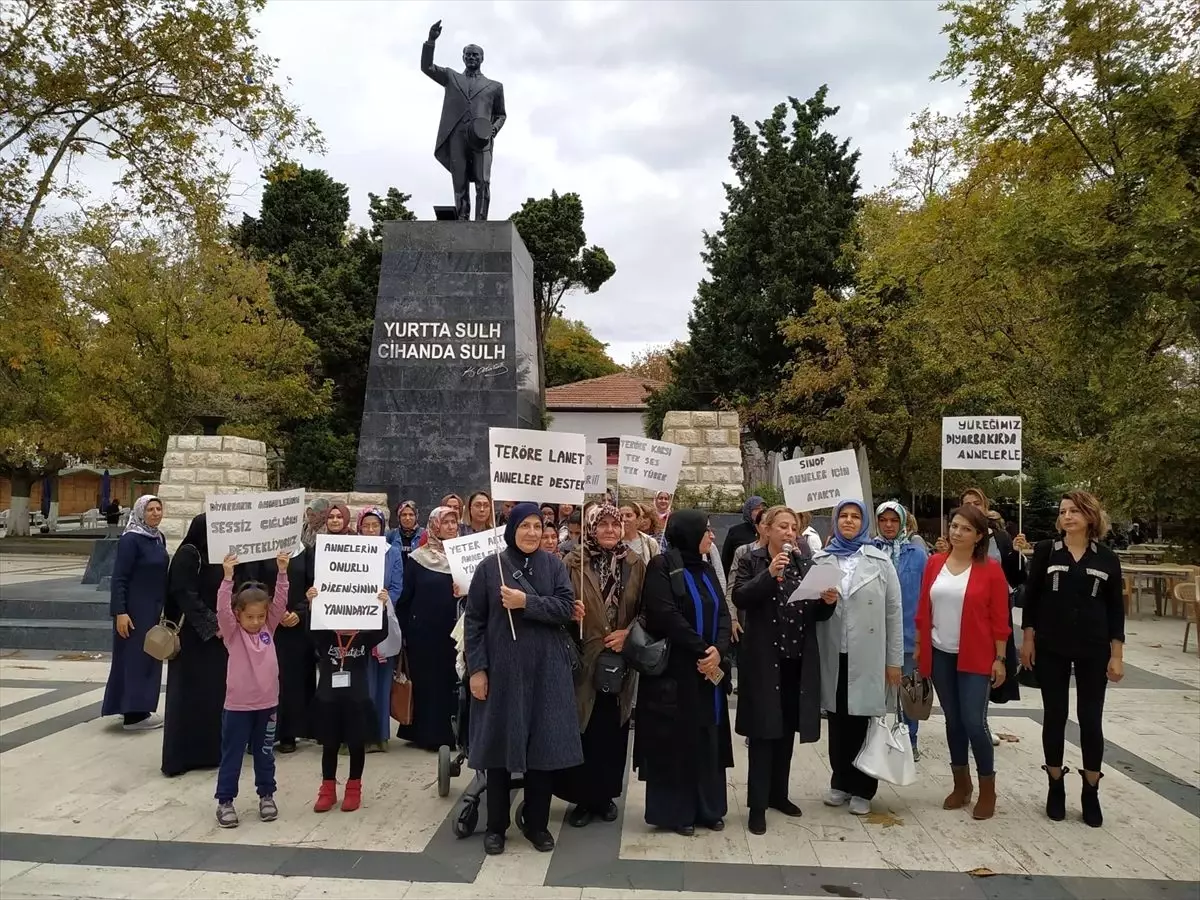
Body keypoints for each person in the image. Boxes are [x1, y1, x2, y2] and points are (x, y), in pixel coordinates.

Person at [465, 503, 582, 856]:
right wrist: (477, 670)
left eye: (537, 525)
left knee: (542, 752)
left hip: (546, 673)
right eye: (525, 526)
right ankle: (496, 827)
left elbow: (565, 608)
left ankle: (537, 824)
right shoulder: (490, 569)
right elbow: (474, 623)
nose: (532, 532)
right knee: (500, 752)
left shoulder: (554, 565)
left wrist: (525, 602)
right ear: (511, 528)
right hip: (502, 674)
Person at [1021, 491, 1124, 828]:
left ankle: (1091, 789)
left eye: (1074, 511)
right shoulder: (1046, 551)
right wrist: (1028, 639)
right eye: (1063, 511)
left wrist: (1117, 654)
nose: (1067, 516)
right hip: (1051, 646)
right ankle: (1055, 784)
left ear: (1090, 516)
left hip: (1094, 648)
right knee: (1055, 715)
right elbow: (1032, 598)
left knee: (1090, 719)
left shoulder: (1107, 558)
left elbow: (1115, 610)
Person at [734, 506, 835, 834]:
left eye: (794, 527)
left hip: (796, 660)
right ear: (766, 529)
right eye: (782, 526)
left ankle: (779, 794)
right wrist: (769, 574)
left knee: (786, 731)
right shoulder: (753, 560)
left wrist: (827, 603)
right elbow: (741, 597)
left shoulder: (804, 563)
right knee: (764, 733)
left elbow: (812, 614)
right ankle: (757, 806)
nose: (790, 533)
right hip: (764, 660)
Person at [633, 510, 733, 836]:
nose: (712, 536)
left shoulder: (705, 568)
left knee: (708, 738)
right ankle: (677, 812)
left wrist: (718, 649)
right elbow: (665, 614)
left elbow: (722, 612)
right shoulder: (662, 567)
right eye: (706, 530)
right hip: (677, 673)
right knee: (676, 742)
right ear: (689, 533)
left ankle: (709, 808)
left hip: (708, 672)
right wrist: (702, 650)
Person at [914, 505, 1010, 820]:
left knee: (973, 721)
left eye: (965, 528)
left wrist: (999, 657)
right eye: (954, 526)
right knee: (953, 722)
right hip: (940, 652)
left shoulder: (990, 569)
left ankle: (988, 788)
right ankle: (961, 784)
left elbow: (1000, 619)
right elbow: (923, 607)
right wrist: (919, 646)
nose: (956, 532)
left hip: (976, 655)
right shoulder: (934, 563)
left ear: (979, 536)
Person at [556, 504, 647, 827]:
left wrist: (628, 633)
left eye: (615, 523)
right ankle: (583, 798)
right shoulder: (573, 562)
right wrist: (569, 612)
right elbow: (558, 601)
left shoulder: (635, 563)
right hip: (585, 656)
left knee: (613, 728)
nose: (610, 529)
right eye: (603, 524)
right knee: (586, 726)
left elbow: (647, 609)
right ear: (592, 528)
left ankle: (606, 795)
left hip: (620, 656)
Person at [811, 499, 903, 816]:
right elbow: (809, 607)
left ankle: (864, 787)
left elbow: (894, 612)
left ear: (863, 523)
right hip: (835, 651)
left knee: (865, 721)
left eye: (855, 517)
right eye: (843, 516)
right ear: (835, 521)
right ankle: (841, 781)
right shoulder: (821, 560)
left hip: (869, 656)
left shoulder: (880, 561)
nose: (849, 521)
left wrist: (894, 661)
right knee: (837, 720)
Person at [213, 551, 290, 828]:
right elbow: (222, 610)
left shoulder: (269, 627)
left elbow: (280, 604)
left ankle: (267, 795)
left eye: (260, 616)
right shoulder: (233, 634)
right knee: (232, 754)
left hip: (267, 705)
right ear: (238, 615)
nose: (256, 622)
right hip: (238, 708)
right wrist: (228, 578)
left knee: (265, 754)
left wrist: (282, 572)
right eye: (250, 617)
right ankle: (225, 800)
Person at [310, 587, 392, 813]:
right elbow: (310, 628)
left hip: (357, 700)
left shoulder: (364, 637)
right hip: (329, 700)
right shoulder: (326, 635)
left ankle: (353, 787)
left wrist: (382, 607)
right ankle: (327, 788)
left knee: (357, 745)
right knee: (330, 745)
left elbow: (382, 631)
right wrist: (313, 603)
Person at [162, 514, 229, 775]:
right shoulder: (189, 554)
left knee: (211, 695)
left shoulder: (212, 555)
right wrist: (213, 625)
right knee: (187, 696)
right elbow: (184, 594)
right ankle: (181, 757)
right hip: (191, 638)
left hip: (211, 641)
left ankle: (209, 753)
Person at [101, 495, 169, 731]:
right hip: (134, 611)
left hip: (153, 609)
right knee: (134, 659)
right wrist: (120, 611)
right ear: (141, 512)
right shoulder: (131, 539)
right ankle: (134, 715)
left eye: (159, 508)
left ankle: (135, 706)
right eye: (150, 509)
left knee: (150, 656)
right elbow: (119, 578)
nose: (155, 513)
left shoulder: (158, 537)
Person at [396, 506, 460, 751]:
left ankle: (454, 733)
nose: (451, 527)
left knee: (451, 681)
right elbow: (406, 597)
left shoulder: (464, 557)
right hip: (424, 633)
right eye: (446, 523)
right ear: (434, 526)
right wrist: (404, 631)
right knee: (428, 683)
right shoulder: (417, 558)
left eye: (454, 522)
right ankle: (427, 734)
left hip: (455, 632)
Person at [874, 501, 929, 759]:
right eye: (883, 520)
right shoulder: (868, 551)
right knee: (874, 693)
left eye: (893, 520)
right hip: (874, 634)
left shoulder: (917, 554)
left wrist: (921, 635)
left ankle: (910, 740)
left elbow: (925, 596)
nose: (888, 525)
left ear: (903, 523)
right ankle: (874, 739)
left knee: (909, 692)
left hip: (908, 635)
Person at [359, 507, 403, 752]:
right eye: (367, 525)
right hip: (357, 623)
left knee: (382, 678)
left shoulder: (392, 553)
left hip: (383, 620)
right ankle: (362, 733)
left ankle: (381, 734)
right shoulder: (351, 553)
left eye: (375, 525)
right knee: (362, 679)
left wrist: (386, 600)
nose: (371, 530)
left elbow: (397, 586)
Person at [720, 495, 765, 576]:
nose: (761, 512)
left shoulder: (768, 530)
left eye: (762, 509)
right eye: (757, 509)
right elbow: (726, 560)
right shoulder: (736, 531)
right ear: (749, 511)